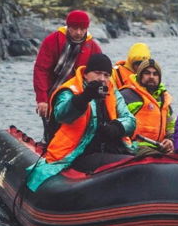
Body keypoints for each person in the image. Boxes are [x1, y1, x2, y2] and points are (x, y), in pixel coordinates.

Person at [26, 53, 136, 191]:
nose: (102, 79)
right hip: (78, 152)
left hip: (107, 148)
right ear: (86, 74)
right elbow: (62, 114)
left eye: (106, 75)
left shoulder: (111, 91)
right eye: (97, 73)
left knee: (138, 161)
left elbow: (130, 119)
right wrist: (84, 97)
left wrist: (116, 127)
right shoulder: (70, 90)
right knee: (127, 165)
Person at [33, 10, 102, 140]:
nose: (79, 33)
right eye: (75, 28)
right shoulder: (52, 41)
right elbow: (41, 70)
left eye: (82, 29)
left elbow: (100, 73)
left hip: (80, 96)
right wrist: (42, 99)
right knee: (52, 130)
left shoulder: (93, 47)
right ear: (68, 27)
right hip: (54, 94)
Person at [119, 59, 175, 154]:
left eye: (155, 74)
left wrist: (170, 140)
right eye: (147, 73)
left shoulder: (163, 99)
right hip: (135, 146)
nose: (151, 77)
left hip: (159, 146)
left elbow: (170, 125)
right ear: (140, 75)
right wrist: (129, 145)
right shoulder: (127, 95)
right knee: (157, 158)